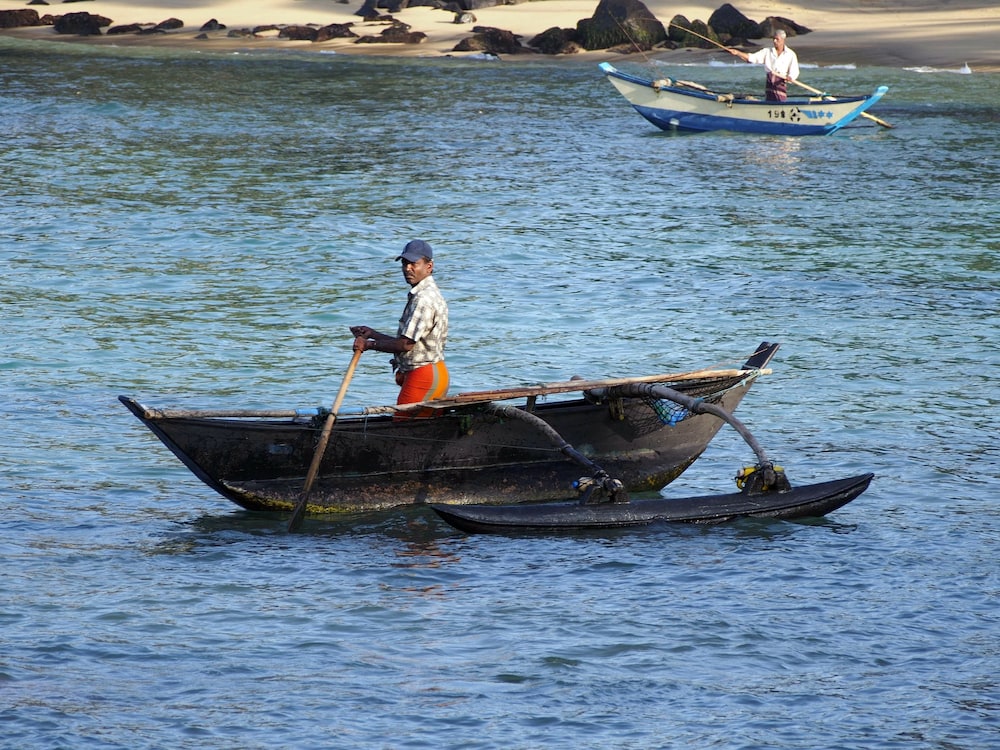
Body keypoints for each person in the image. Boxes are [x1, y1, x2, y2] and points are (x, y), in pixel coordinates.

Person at [350, 239, 449, 410]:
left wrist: (368, 345)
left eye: (413, 264)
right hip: (432, 372)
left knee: (404, 426)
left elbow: (405, 345)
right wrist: (372, 334)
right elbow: (409, 341)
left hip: (424, 376)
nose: (407, 268)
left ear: (429, 266)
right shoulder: (426, 293)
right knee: (419, 427)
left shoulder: (423, 299)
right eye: (404, 263)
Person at [727, 29, 800, 102]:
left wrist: (790, 77)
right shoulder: (767, 51)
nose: (774, 41)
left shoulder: (790, 54)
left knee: (781, 102)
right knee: (769, 102)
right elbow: (752, 58)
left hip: (781, 83)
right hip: (770, 83)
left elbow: (794, 71)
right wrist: (737, 53)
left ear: (783, 40)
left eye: (777, 39)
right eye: (773, 39)